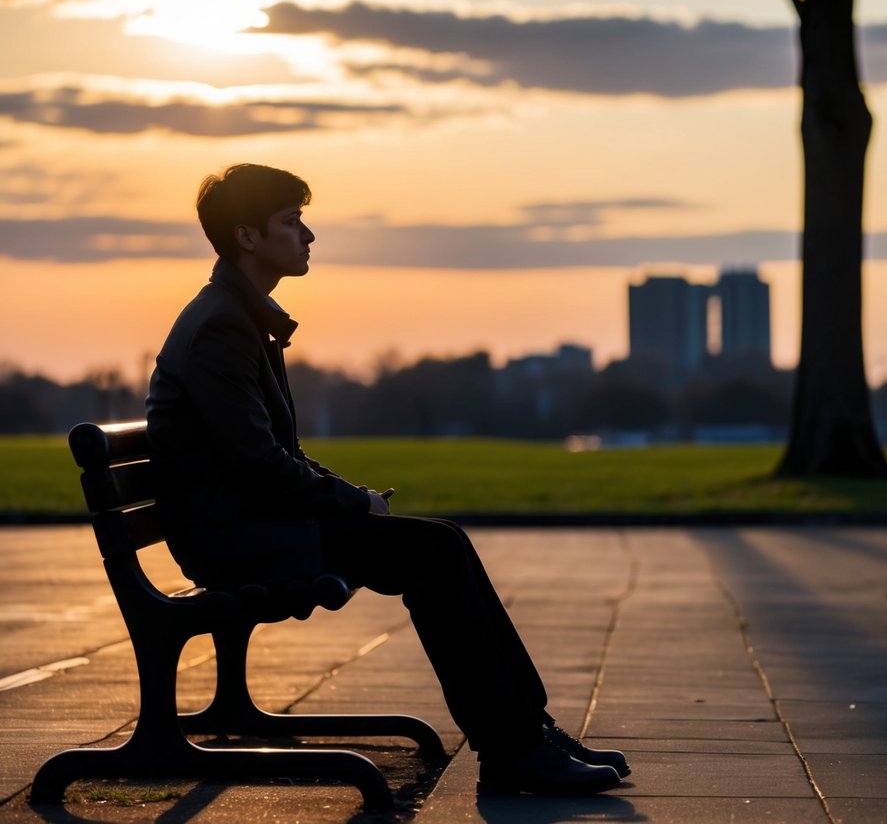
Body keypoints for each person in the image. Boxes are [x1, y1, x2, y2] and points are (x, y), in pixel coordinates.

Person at [145, 163, 628, 795]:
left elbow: (269, 454)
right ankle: (513, 747)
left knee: (440, 542)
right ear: (247, 236)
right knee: (436, 550)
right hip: (235, 539)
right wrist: (352, 503)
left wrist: (355, 500)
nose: (309, 235)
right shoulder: (222, 328)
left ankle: (525, 731)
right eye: (292, 223)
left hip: (248, 525)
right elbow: (259, 464)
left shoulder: (236, 316)